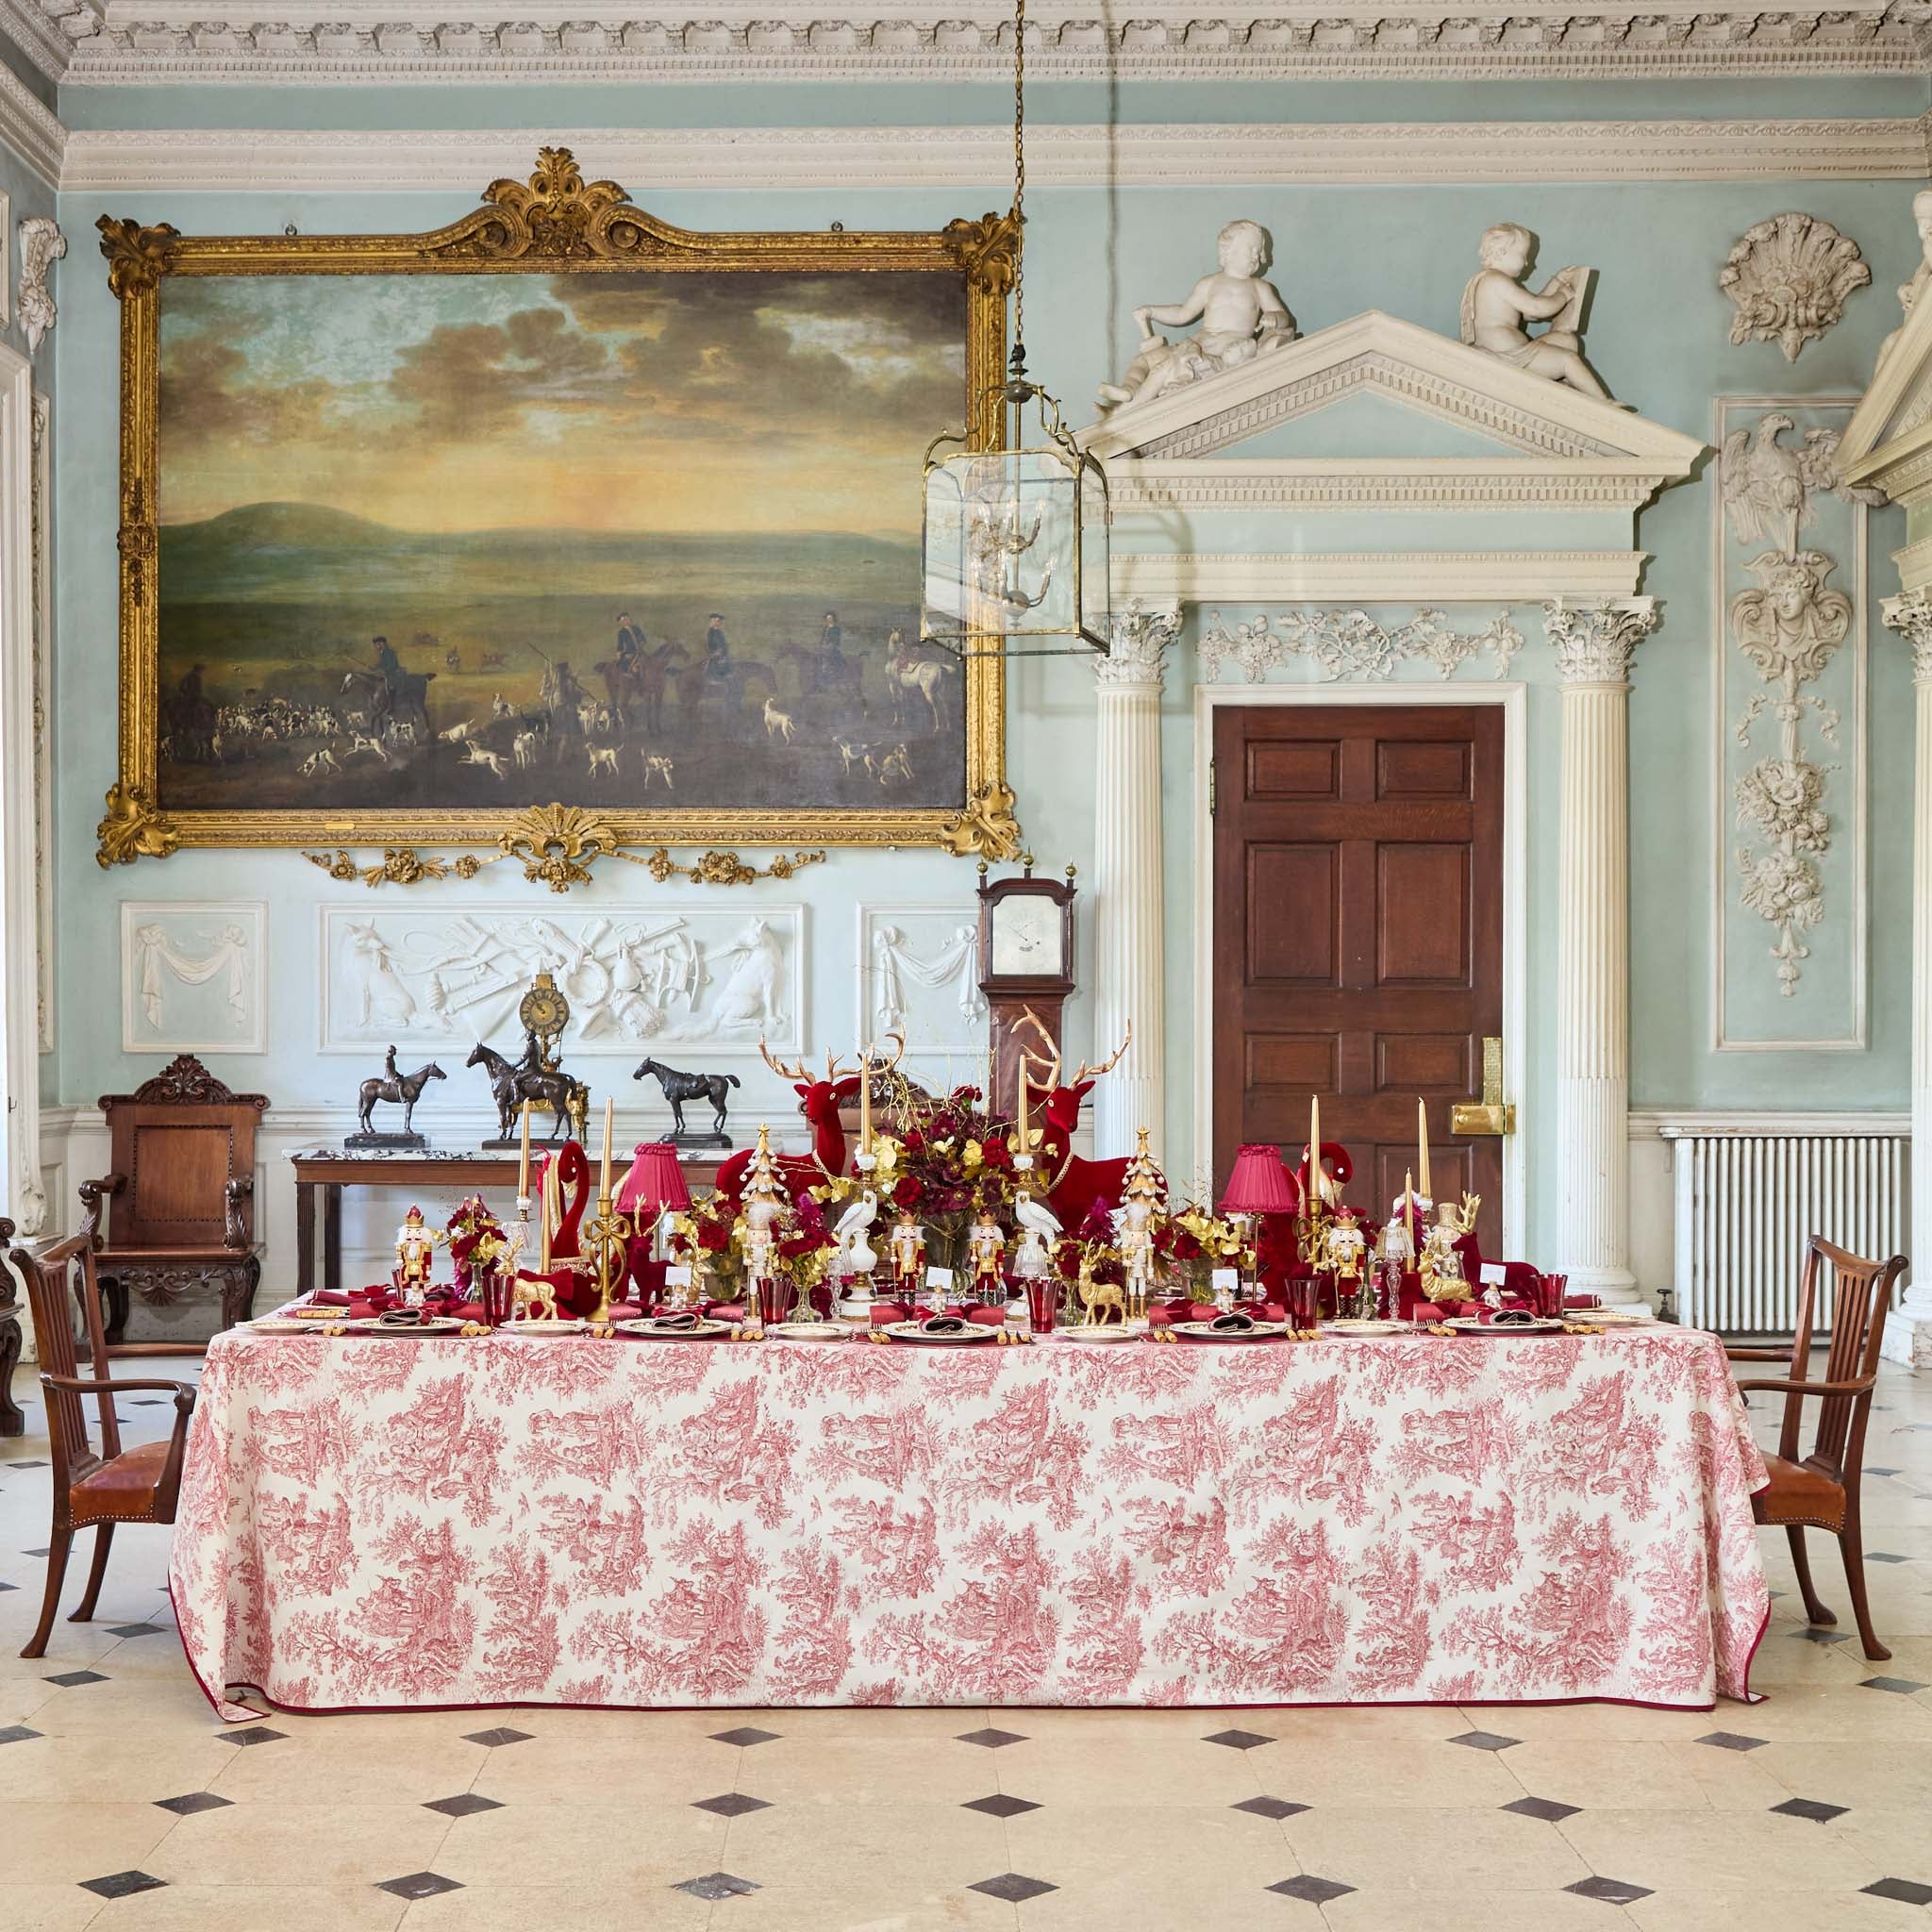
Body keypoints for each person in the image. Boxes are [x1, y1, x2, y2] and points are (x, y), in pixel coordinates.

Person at [1099, 219, 1296, 411]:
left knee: (1164, 368)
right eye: (1251, 249)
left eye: (1258, 250)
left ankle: (1124, 411)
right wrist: (1152, 311)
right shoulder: (1209, 283)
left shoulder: (1259, 287)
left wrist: (1275, 318)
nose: (1257, 255)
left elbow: (1282, 316)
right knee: (1144, 360)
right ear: (1228, 251)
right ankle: (1128, 390)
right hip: (1194, 344)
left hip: (1222, 353)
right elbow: (1182, 313)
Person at [1459, 223, 1617, 401]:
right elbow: (1537, 308)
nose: (1527, 263)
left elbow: (1530, 315)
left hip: (1517, 354)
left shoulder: (1489, 281)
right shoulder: (1496, 280)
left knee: (1567, 340)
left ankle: (1563, 386)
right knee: (1568, 360)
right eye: (1523, 255)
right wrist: (1563, 296)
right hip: (1506, 358)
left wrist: (1557, 281)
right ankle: (1603, 403)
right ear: (1502, 252)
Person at [814, 610, 845, 692]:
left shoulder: (836, 629)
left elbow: (836, 641)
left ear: (833, 619)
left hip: (833, 649)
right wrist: (820, 647)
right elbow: (822, 640)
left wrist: (828, 647)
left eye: (830, 618)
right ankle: (819, 684)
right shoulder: (825, 628)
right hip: (824, 649)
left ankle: (831, 681)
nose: (829, 620)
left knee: (828, 664)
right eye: (827, 618)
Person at [704, 613, 731, 682]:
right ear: (713, 622)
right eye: (716, 621)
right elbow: (710, 644)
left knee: (728, 661)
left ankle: (726, 677)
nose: (719, 623)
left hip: (723, 652)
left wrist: (724, 649)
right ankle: (716, 679)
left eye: (719, 621)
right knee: (717, 663)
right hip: (715, 653)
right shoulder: (711, 632)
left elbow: (723, 643)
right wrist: (716, 652)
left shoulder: (720, 631)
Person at [616, 610, 644, 675]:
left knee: (648, 662)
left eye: (627, 619)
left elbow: (643, 639)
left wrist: (641, 646)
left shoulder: (636, 628)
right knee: (626, 666)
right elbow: (620, 646)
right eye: (623, 621)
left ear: (629, 619)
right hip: (629, 652)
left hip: (640, 651)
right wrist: (619, 655)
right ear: (621, 622)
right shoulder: (621, 632)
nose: (626, 621)